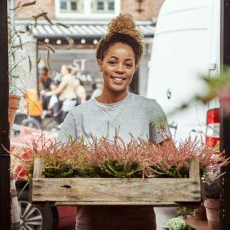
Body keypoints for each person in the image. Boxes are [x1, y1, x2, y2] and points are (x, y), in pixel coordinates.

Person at [58, 14, 172, 230]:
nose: (120, 69)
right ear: (100, 63)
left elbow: (172, 161)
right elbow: (59, 169)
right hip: (92, 218)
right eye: (113, 62)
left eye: (128, 64)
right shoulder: (77, 116)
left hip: (138, 218)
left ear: (135, 68)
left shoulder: (150, 109)